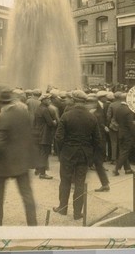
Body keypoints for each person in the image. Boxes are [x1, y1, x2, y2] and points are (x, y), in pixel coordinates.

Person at [0, 87, 37, 226]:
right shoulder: (23, 112)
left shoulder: (4, 116)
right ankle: (33, 224)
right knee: (27, 195)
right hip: (22, 160)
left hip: (5, 162)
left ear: (0, 102)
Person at [53, 90, 101, 220]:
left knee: (65, 181)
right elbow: (97, 139)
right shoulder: (91, 117)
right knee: (80, 183)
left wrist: (61, 152)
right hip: (84, 154)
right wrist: (90, 153)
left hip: (68, 152)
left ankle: (62, 208)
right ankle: (77, 213)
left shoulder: (66, 116)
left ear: (73, 101)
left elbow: (58, 137)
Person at [33, 93, 57, 179]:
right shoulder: (45, 110)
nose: (49, 101)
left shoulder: (38, 109)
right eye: (48, 99)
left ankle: (38, 169)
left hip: (38, 133)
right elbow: (50, 123)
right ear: (44, 100)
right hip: (45, 134)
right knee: (44, 153)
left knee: (40, 152)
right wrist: (55, 122)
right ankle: (42, 173)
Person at [113, 93, 135, 176]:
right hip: (127, 134)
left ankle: (127, 169)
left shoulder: (118, 109)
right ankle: (117, 168)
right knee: (125, 151)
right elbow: (130, 124)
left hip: (120, 132)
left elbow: (115, 119)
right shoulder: (129, 110)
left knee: (123, 150)